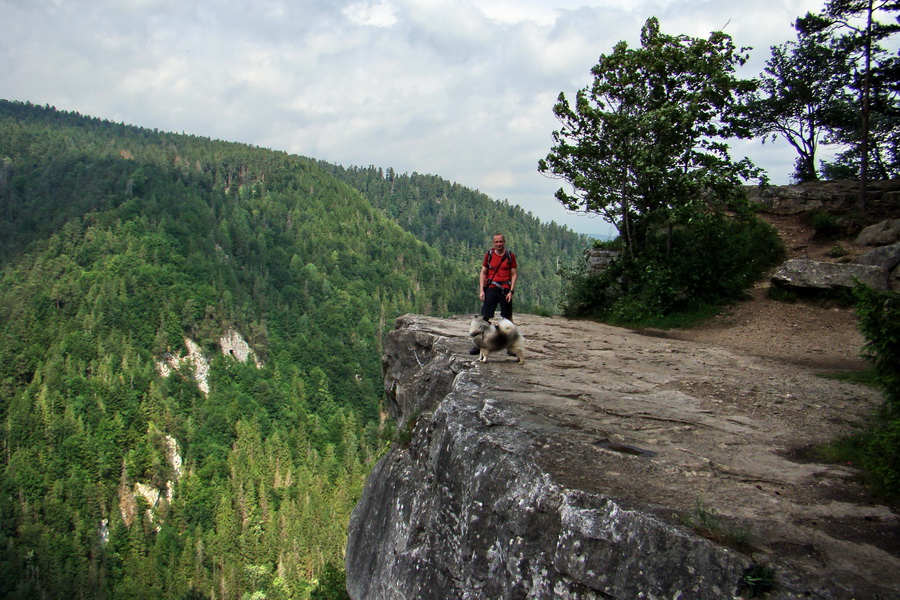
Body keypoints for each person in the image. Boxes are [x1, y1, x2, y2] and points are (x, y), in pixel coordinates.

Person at [470, 233, 518, 354]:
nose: (498, 244)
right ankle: (480, 344)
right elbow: (483, 272)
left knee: (507, 318)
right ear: (493, 243)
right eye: (496, 242)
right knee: (485, 317)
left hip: (505, 289)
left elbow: (513, 274)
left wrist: (511, 291)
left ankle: (510, 346)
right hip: (491, 288)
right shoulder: (489, 255)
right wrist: (482, 290)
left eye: (500, 242)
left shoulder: (510, 256)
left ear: (504, 242)